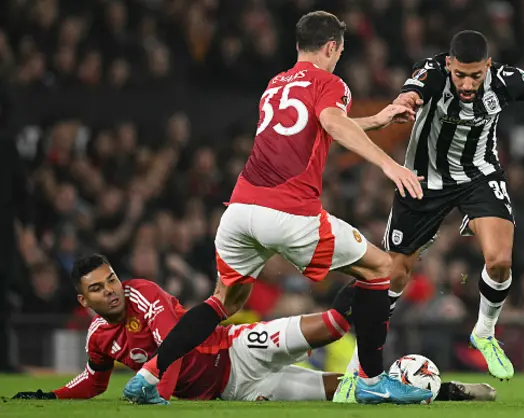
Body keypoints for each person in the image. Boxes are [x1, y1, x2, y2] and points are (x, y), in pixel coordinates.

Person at [123, 10, 431, 406]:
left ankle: (150, 374)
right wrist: (389, 163)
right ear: (333, 47)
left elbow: (316, 127)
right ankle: (371, 380)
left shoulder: (276, 84)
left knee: (223, 301)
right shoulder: (330, 81)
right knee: (380, 269)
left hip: (238, 213)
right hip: (288, 214)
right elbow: (333, 123)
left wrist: (378, 119)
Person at [334, 29, 524, 398]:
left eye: (475, 75)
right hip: (424, 180)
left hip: (479, 176)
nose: (467, 83)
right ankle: (358, 370)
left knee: (500, 260)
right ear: (449, 65)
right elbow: (412, 90)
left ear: (488, 66)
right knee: (393, 275)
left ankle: (484, 332)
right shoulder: (432, 71)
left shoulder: (505, 80)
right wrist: (404, 102)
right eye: (460, 74)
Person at [11, 254, 497, 402]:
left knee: (330, 325)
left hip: (240, 348)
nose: (111, 290)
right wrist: (51, 397)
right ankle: (448, 391)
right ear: (84, 301)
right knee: (344, 393)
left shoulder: (144, 294)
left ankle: (379, 274)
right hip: (238, 393)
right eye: (98, 289)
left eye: (111, 279)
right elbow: (93, 380)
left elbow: (174, 349)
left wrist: (159, 395)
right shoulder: (99, 336)